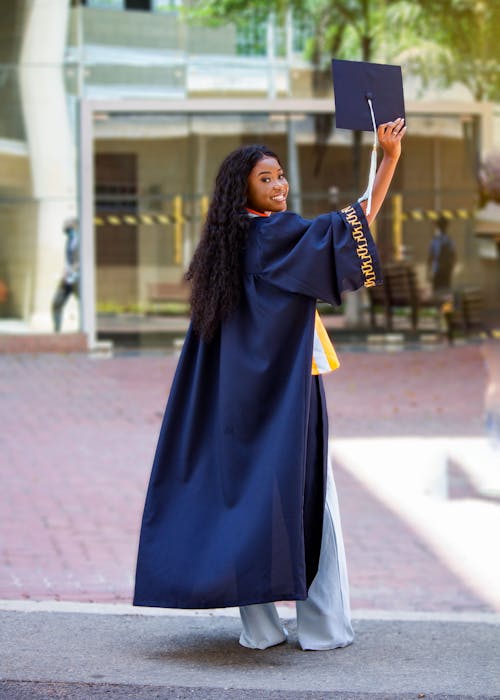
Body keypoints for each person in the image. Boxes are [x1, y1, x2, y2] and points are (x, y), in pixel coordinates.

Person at [134, 118, 406, 650]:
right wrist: (389, 157)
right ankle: (323, 629)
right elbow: (356, 222)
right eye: (266, 179)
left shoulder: (227, 243)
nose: (279, 186)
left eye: (280, 176)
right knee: (313, 498)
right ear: (245, 189)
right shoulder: (272, 234)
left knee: (248, 500)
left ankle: (260, 629)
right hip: (284, 395)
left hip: (237, 400)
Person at [52, 218, 79, 333]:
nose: (66, 227)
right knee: (56, 303)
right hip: (68, 278)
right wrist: (66, 271)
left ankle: (86, 330)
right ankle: (57, 330)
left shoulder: (82, 239)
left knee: (84, 304)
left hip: (79, 278)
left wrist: (73, 269)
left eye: (68, 225)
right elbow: (68, 260)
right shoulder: (69, 239)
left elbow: (83, 259)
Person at [427, 215, 456, 296]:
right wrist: (450, 269)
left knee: (436, 294)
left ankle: (438, 308)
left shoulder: (434, 240)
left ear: (438, 227)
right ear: (447, 226)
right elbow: (454, 256)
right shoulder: (450, 240)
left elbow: (430, 258)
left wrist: (428, 272)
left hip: (437, 271)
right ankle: (446, 308)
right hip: (446, 272)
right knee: (446, 294)